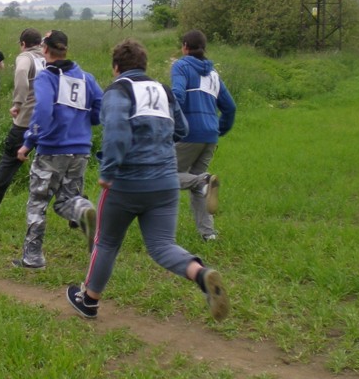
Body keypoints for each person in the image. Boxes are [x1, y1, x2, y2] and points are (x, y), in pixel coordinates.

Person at [66, 39, 229, 322]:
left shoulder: (119, 90)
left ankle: (89, 300)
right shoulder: (164, 91)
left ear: (116, 67)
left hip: (126, 183)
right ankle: (201, 275)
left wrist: (108, 171)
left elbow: (117, 132)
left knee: (106, 243)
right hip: (165, 182)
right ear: (144, 65)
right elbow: (182, 129)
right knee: (162, 245)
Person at [13, 30, 102, 269]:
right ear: (66, 49)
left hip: (52, 149)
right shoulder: (86, 77)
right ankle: (82, 209)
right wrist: (90, 120)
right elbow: (100, 105)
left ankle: (32, 257)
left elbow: (42, 111)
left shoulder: (46, 77)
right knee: (66, 200)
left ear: (45, 49)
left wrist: (29, 141)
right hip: (81, 149)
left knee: (38, 201)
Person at [171, 29, 237, 241]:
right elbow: (230, 107)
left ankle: (202, 182)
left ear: (185, 47)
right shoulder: (213, 74)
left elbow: (178, 95)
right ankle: (208, 234)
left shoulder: (181, 66)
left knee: (162, 175)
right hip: (210, 136)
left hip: (189, 134)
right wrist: (218, 129)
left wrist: (171, 125)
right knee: (199, 184)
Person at [0, 27, 45, 217]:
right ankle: (75, 205)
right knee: (53, 161)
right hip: (48, 118)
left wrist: (18, 102)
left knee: (9, 160)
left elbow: (21, 72)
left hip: (26, 118)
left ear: (23, 44)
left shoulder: (26, 57)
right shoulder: (47, 57)